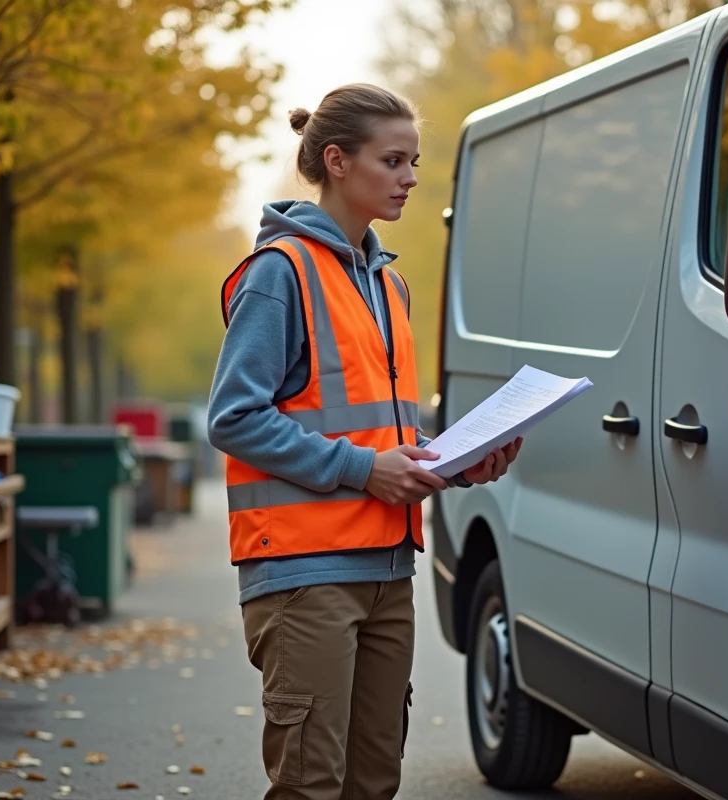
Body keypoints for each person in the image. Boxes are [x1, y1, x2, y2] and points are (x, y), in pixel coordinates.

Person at [206, 83, 521, 800]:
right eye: (393, 160)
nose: (410, 178)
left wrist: (458, 462)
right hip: (305, 576)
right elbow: (234, 417)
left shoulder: (389, 285)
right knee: (311, 785)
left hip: (387, 572)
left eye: (414, 162)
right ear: (337, 161)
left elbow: (381, 432)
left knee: (374, 783)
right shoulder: (279, 273)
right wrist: (364, 470)